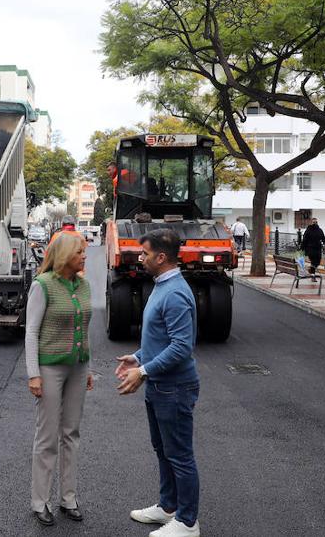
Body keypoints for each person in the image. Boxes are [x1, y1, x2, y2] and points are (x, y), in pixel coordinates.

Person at [116, 228, 201, 537]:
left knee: (180, 455)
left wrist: (144, 372)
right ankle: (168, 508)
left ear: (161, 257)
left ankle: (188, 522)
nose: (141, 258)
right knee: (163, 450)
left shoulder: (176, 292)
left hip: (174, 388)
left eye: (145, 254)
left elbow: (181, 346)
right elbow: (161, 338)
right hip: (160, 386)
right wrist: (138, 358)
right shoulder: (162, 286)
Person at [26, 231, 93, 526]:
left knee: (71, 434)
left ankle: (68, 498)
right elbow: (31, 332)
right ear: (66, 255)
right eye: (80, 252)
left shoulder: (84, 285)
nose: (84, 257)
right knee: (47, 436)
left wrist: (87, 367)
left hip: (77, 368)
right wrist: (33, 375)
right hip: (50, 368)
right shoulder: (43, 285)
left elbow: (86, 330)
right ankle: (40, 501)